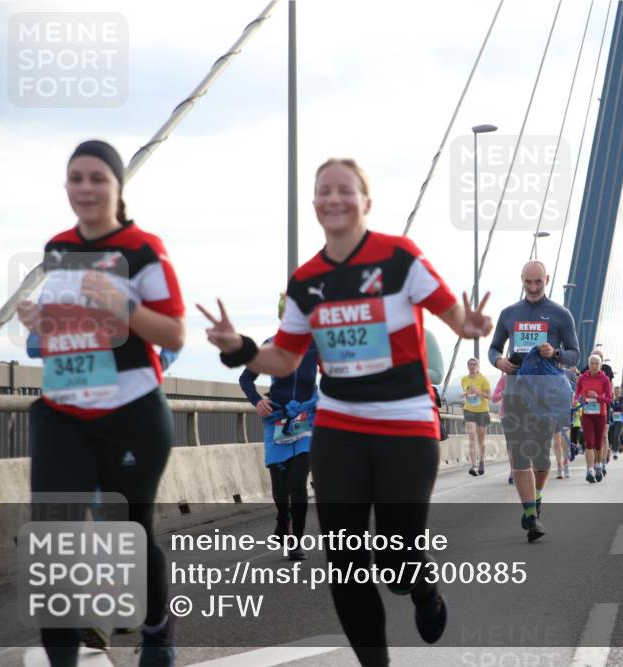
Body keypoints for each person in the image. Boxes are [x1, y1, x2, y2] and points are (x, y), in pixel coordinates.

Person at [199, 158, 493, 666]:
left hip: (405, 424)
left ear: (366, 202)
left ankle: (423, 590)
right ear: (314, 205)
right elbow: (285, 358)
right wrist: (240, 347)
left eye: (345, 190)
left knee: (395, 557)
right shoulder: (307, 280)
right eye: (323, 191)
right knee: (345, 561)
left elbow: (454, 315)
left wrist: (471, 324)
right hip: (339, 428)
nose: (333, 199)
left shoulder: (400, 258)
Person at [16, 140, 185, 667]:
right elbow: (68, 326)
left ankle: (156, 630)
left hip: (130, 411)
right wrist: (39, 321)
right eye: (76, 178)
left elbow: (175, 331)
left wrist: (125, 305)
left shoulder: (142, 249)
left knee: (129, 533)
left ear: (117, 187)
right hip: (63, 411)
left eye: (97, 178)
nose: (85, 189)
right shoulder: (57, 249)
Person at [488, 260, 579, 542]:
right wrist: (500, 361)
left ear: (547, 279)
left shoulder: (561, 315)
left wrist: (554, 353)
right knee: (519, 453)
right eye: (528, 282)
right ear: (522, 281)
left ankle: (537, 497)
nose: (533, 287)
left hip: (545, 394)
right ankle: (531, 516)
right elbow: (493, 349)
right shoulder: (509, 313)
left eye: (538, 282)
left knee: (541, 459)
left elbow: (575, 354)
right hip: (515, 391)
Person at [239, 295, 318, 561]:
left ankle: (296, 539)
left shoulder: (316, 346)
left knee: (297, 482)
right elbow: (245, 378)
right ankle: (282, 517)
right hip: (278, 421)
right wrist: (258, 401)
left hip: (305, 420)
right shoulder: (270, 346)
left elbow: (334, 376)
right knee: (279, 489)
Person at [575, 354, 613, 483]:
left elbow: (608, 399)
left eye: (597, 364)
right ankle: (590, 470)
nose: (594, 366)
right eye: (592, 363)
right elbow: (578, 392)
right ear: (589, 365)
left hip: (600, 414)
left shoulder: (605, 380)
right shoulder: (582, 378)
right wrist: (575, 401)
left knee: (598, 443)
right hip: (587, 414)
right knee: (589, 442)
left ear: (600, 365)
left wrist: (597, 397)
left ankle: (598, 466)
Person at [461, 358, 491, 475]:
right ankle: (473, 465)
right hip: (469, 410)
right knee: (472, 436)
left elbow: (490, 396)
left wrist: (478, 392)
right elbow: (465, 393)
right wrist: (465, 393)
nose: (472, 366)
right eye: (470, 364)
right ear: (467, 366)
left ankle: (482, 461)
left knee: (481, 440)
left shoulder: (483, 379)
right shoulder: (464, 379)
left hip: (482, 411)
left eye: (474, 364)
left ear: (478, 367)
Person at [609, 386, 623, 456]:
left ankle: (616, 450)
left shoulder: (622, 398)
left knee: (616, 434)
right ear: (614, 391)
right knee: (611, 435)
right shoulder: (612, 399)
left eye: (618, 391)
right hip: (612, 419)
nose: (617, 392)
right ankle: (612, 448)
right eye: (615, 391)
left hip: (621, 419)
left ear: (620, 392)